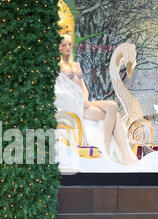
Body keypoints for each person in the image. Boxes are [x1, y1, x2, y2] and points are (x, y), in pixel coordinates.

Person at [58, 33, 137, 165]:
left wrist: (85, 99)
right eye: (63, 44)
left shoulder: (76, 65)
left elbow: (83, 86)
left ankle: (121, 153)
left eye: (69, 44)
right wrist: (76, 102)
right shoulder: (58, 67)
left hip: (83, 102)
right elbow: (60, 90)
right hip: (73, 105)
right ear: (59, 47)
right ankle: (115, 153)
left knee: (113, 106)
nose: (67, 47)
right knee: (116, 115)